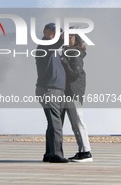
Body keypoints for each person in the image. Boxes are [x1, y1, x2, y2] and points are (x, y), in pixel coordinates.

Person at [35, 23, 69, 163]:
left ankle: (49, 153)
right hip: (49, 90)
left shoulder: (55, 51)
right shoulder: (43, 45)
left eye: (58, 32)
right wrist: (62, 38)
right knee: (55, 123)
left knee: (54, 123)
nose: (55, 34)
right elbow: (57, 43)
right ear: (45, 32)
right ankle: (56, 155)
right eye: (52, 32)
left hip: (57, 90)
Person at [61, 31, 93, 162]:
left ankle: (86, 152)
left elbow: (74, 74)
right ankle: (82, 151)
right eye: (67, 36)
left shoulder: (75, 53)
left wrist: (63, 62)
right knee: (75, 124)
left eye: (71, 36)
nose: (68, 38)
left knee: (78, 122)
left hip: (74, 93)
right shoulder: (69, 51)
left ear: (77, 39)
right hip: (70, 92)